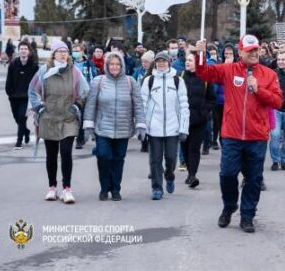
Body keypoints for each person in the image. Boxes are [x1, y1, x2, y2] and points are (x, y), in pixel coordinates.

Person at [194, 34, 283, 233]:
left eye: (256, 50)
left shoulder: (268, 74)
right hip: (232, 135)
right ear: (240, 52)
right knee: (227, 174)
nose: (253, 53)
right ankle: (229, 205)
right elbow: (204, 72)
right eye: (249, 50)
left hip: (257, 136)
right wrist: (200, 53)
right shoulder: (229, 69)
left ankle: (247, 215)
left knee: (253, 179)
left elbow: (278, 101)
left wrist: (258, 89)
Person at [28, 39, 89, 203]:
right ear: (53, 53)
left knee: (67, 153)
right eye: (59, 51)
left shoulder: (74, 72)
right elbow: (32, 90)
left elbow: (85, 91)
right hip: (49, 118)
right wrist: (38, 107)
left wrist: (77, 105)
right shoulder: (43, 71)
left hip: (68, 118)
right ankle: (52, 187)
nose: (63, 54)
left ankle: (67, 189)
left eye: (65, 51)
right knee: (51, 155)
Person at [83, 52, 147, 201]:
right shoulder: (99, 81)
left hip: (123, 129)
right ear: (107, 65)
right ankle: (104, 187)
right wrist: (88, 125)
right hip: (103, 128)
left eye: (117, 64)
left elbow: (138, 105)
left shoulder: (131, 82)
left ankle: (116, 189)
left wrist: (141, 125)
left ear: (122, 66)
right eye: (111, 64)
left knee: (118, 160)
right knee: (104, 156)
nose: (114, 67)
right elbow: (91, 104)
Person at [141, 52, 189, 200]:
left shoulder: (177, 81)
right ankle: (157, 187)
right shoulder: (149, 81)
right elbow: (143, 104)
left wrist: (183, 127)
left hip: (172, 127)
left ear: (169, 62)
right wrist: (142, 125)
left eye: (164, 61)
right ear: (155, 63)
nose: (161, 64)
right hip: (154, 127)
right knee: (155, 159)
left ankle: (170, 175)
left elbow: (183, 105)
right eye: (159, 61)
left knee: (170, 158)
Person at [181, 53, 216, 188]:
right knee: (185, 147)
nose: (187, 62)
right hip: (183, 120)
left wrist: (204, 111)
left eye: (190, 60)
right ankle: (189, 171)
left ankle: (192, 175)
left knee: (194, 148)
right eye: (186, 60)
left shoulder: (205, 78)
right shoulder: (180, 76)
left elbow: (212, 99)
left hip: (199, 120)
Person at [6, 40, 39, 149]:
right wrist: (9, 92)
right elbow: (9, 80)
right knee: (17, 118)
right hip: (14, 97)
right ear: (18, 50)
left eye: (25, 49)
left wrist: (35, 95)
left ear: (29, 51)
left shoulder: (33, 65)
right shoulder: (13, 64)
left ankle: (19, 142)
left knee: (22, 117)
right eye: (21, 49)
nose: (23, 51)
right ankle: (26, 131)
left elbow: (37, 82)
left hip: (27, 97)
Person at [71, 43, 100, 149]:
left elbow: (94, 77)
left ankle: (80, 139)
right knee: (73, 117)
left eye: (77, 50)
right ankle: (76, 136)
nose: (75, 53)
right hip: (72, 94)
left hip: (85, 94)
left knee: (82, 117)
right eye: (73, 50)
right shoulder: (70, 63)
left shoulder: (88, 63)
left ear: (82, 51)